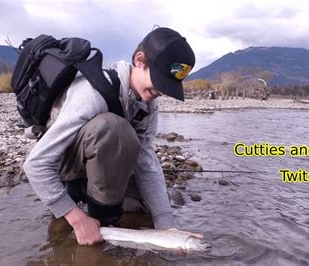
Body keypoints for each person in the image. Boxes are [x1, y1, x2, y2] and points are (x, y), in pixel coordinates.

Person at [23, 27, 196, 246]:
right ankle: (96, 217)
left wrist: (167, 226)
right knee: (115, 129)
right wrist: (76, 219)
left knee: (144, 208)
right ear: (140, 60)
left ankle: (101, 212)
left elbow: (146, 160)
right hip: (64, 168)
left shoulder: (148, 102)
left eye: (168, 86)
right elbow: (36, 164)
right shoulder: (92, 93)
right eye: (160, 81)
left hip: (99, 159)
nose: (161, 91)